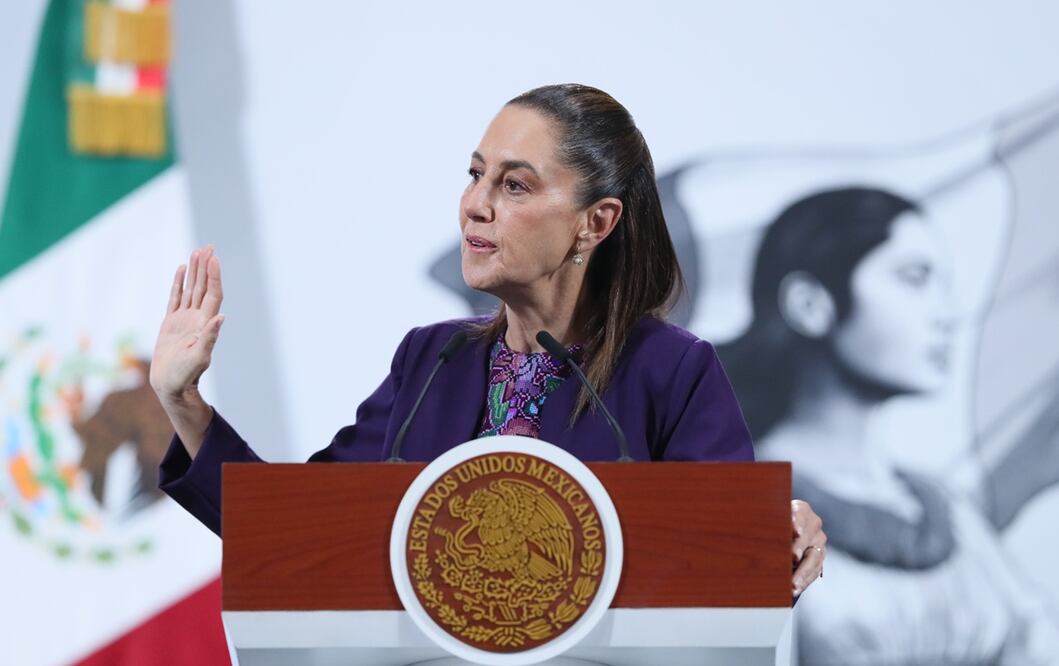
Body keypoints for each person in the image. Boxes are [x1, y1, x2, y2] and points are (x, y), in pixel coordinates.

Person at [151, 84, 826, 597]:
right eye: (475, 175)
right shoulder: (430, 360)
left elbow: (733, 576)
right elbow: (294, 534)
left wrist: (781, 540)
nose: (475, 204)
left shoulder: (670, 370)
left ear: (595, 222)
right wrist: (183, 401)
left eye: (513, 185)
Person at [718, 186, 1059, 664]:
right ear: (810, 303)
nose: (947, 314)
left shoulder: (946, 510)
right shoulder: (734, 501)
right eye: (914, 278)